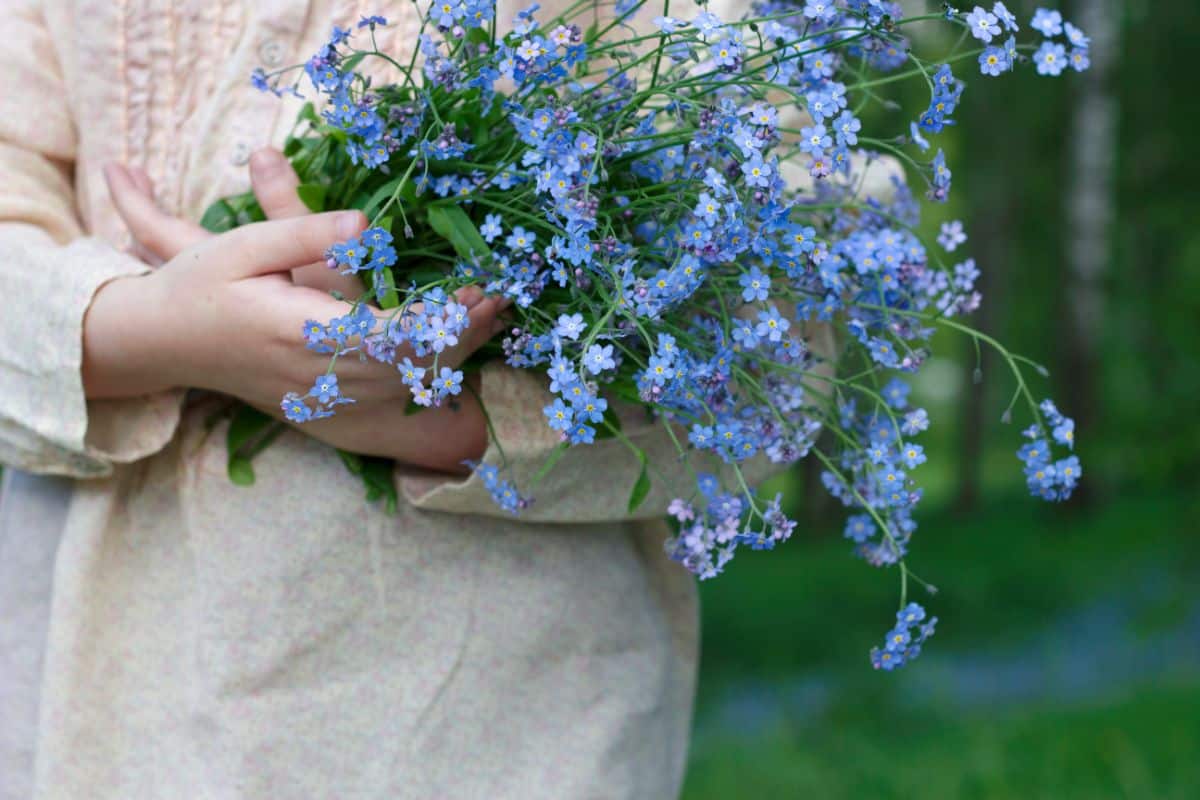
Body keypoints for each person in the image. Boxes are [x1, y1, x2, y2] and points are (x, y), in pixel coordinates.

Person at [0, 2, 703, 798]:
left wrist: (447, 421)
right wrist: (157, 329)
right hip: (93, 691)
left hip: (482, 716)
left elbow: (788, 352)